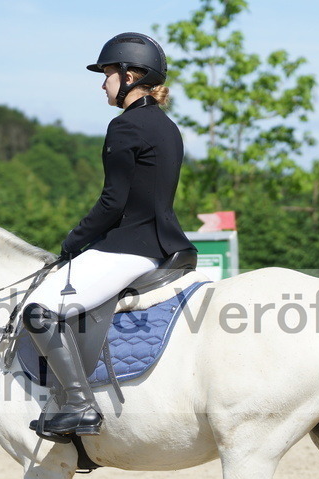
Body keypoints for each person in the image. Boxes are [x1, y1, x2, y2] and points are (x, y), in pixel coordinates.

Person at [23, 32, 195, 438]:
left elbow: (112, 203)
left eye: (107, 74)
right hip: (164, 245)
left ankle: (79, 404)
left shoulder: (125, 127)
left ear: (130, 75)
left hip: (128, 248)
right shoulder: (168, 127)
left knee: (37, 309)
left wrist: (72, 241)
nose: (103, 84)